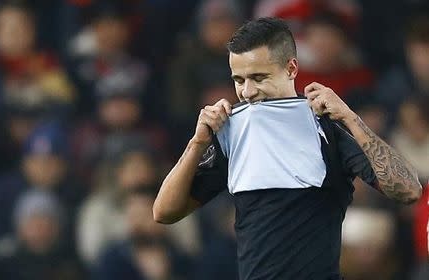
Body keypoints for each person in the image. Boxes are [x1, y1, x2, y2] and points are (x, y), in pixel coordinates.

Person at [153, 17, 422, 280]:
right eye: (239, 80)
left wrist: (351, 118)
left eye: (258, 77)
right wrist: (197, 142)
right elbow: (164, 212)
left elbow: (408, 190)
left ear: (292, 68)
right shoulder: (231, 131)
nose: (247, 91)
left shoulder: (327, 128)